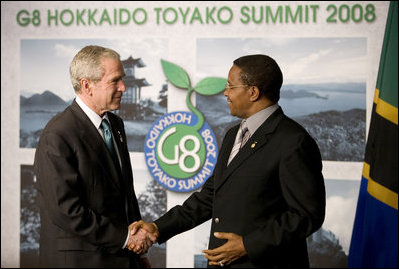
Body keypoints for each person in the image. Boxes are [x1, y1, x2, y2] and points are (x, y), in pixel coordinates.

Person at [130, 54, 326, 268]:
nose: (225, 93)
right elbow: (210, 197)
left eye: (231, 86)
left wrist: (248, 245)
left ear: (253, 92)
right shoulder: (233, 134)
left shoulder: (293, 141)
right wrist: (158, 228)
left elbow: (307, 215)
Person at [34, 45, 151, 268]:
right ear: (87, 85)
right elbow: (67, 212)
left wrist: (136, 253)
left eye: (123, 79)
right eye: (115, 80)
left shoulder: (115, 125)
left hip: (122, 258)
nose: (124, 87)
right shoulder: (57, 135)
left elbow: (125, 193)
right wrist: (127, 239)